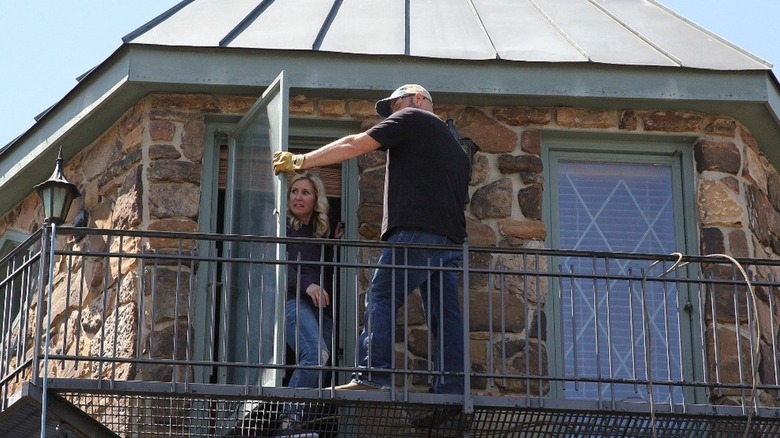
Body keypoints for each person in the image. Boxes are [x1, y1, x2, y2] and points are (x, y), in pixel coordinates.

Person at [273, 84, 470, 399]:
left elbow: (354, 144)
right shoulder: (456, 148)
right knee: (445, 315)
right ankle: (453, 388)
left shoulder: (413, 118)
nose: (394, 111)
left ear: (419, 100)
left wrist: (300, 161)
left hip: (414, 234)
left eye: (397, 103)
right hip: (451, 241)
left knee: (381, 297)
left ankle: (372, 374)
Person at [278, 172, 343, 436]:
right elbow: (280, 267)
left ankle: (302, 427)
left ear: (316, 199)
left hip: (321, 309)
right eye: (294, 191)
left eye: (305, 192)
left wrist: (335, 245)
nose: (298, 197)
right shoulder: (282, 227)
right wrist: (307, 285)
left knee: (323, 362)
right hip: (293, 301)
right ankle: (288, 424)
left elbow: (326, 271)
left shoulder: (319, 233)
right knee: (316, 355)